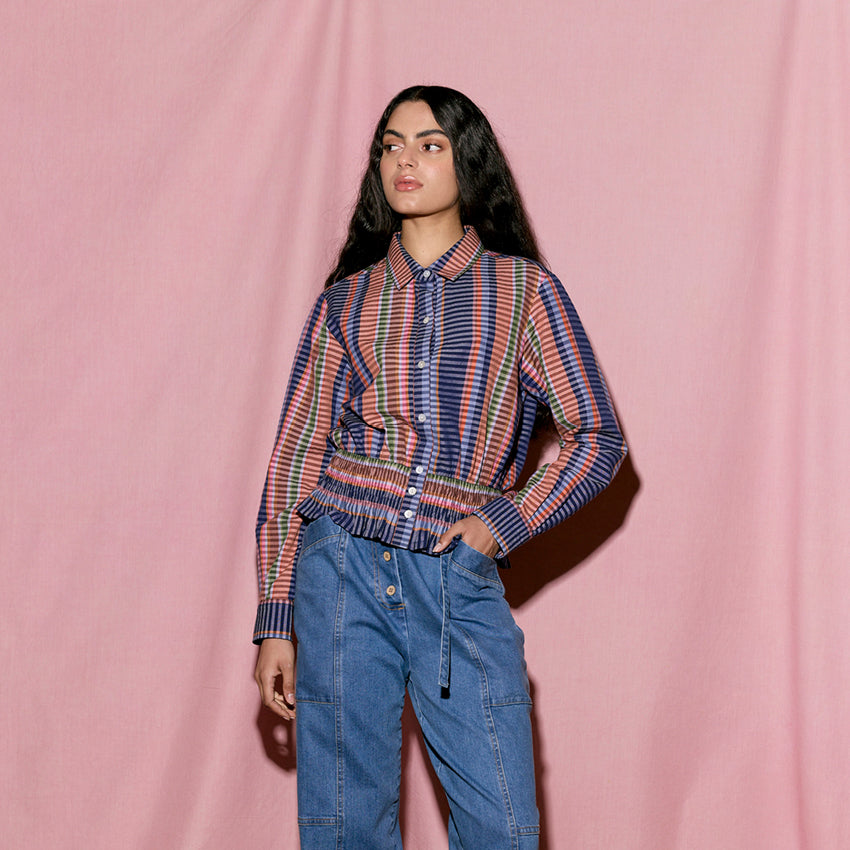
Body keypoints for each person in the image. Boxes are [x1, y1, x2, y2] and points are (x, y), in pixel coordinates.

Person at [253, 84, 627, 849]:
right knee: (342, 824)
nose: (405, 160)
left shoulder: (523, 292)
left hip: (456, 576)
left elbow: (597, 437)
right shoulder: (344, 303)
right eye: (391, 145)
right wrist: (276, 618)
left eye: (430, 145)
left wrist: (497, 527)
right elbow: (294, 462)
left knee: (503, 825)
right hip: (339, 570)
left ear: (469, 162)